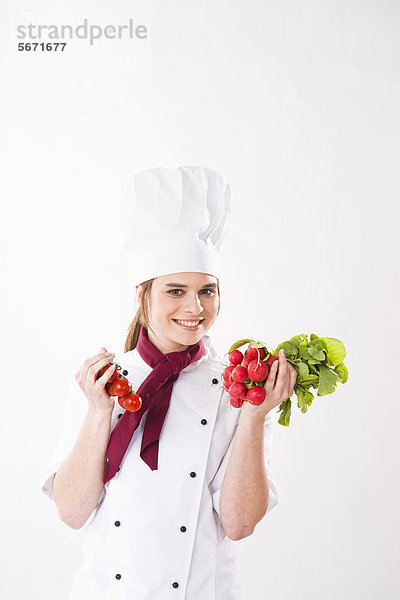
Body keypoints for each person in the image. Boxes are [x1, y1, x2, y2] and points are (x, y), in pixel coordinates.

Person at [40, 166, 297, 599]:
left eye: (207, 290)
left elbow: (239, 523)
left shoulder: (236, 388)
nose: (195, 307)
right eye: (175, 291)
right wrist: (100, 413)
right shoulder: (100, 381)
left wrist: (254, 418)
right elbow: (72, 511)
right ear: (142, 296)